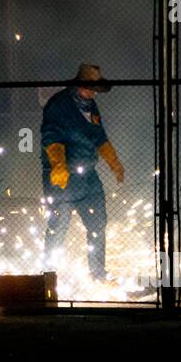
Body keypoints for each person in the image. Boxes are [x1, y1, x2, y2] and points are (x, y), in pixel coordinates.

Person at [41, 63, 125, 283]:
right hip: (63, 176)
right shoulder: (58, 105)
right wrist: (58, 165)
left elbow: (99, 136)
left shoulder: (91, 106)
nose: (93, 93)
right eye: (90, 88)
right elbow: (51, 136)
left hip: (88, 175)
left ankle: (98, 273)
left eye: (95, 89)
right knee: (58, 226)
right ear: (79, 84)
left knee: (98, 224)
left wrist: (113, 162)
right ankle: (49, 276)